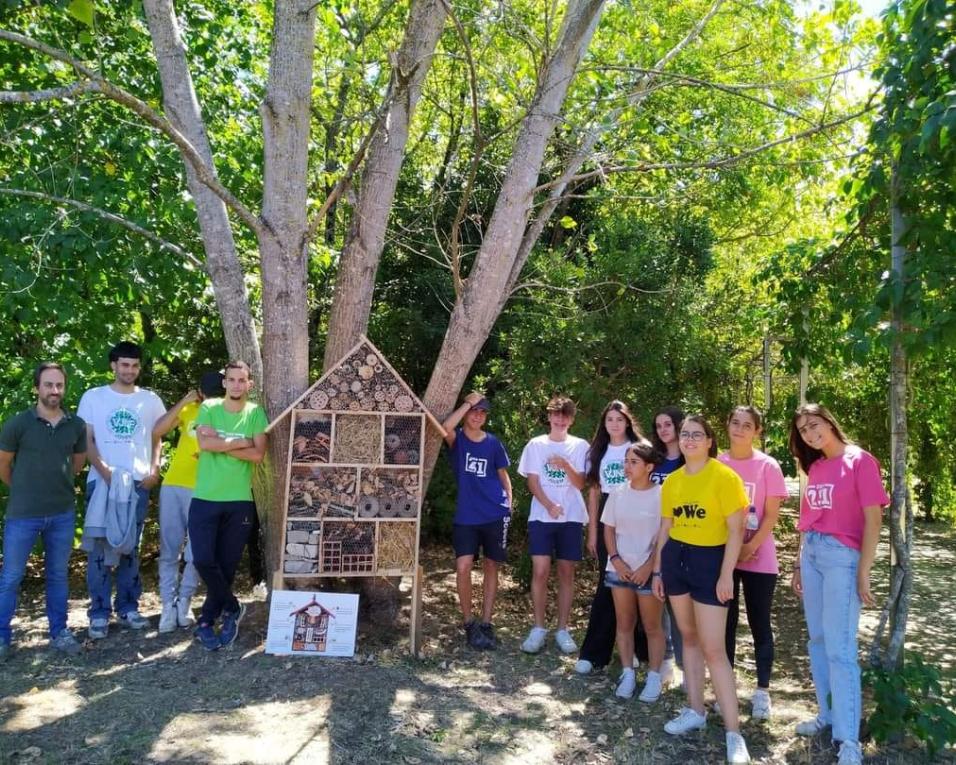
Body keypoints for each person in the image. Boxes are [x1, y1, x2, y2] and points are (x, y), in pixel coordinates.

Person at [788, 404, 888, 765]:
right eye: (803, 430)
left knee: (841, 649)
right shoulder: (814, 467)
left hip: (842, 559)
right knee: (817, 639)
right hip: (812, 553)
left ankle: (849, 741)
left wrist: (863, 571)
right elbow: (809, 517)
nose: (810, 434)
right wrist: (798, 564)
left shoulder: (860, 461)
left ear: (830, 422)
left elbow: (873, 520)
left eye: (814, 425)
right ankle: (828, 716)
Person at [652, 414, 751, 764]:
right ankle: (695, 710)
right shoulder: (673, 481)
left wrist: (726, 575)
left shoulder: (725, 477)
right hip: (676, 559)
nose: (689, 439)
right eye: (684, 435)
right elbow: (666, 526)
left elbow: (736, 532)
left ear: (710, 441)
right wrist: (658, 570)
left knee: (714, 649)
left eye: (697, 434)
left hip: (711, 562)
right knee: (688, 638)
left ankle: (733, 733)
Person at [78, 341, 166, 639]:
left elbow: (158, 437)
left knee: (131, 547)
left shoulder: (150, 400)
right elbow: (86, 439)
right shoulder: (94, 397)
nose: (129, 370)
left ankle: (128, 606)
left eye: (135, 365)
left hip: (138, 483)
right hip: (101, 482)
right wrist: (105, 473)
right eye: (124, 364)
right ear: (113, 366)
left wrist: (154, 470)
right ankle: (99, 612)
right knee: (100, 547)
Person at [0, 363, 87, 659]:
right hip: (23, 514)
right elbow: (4, 466)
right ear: (36, 388)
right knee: (11, 576)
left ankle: (59, 632)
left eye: (59, 385)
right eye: (48, 385)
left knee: (58, 575)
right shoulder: (17, 424)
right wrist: (25, 491)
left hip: (62, 513)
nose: (54, 391)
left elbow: (77, 464)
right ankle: (2, 637)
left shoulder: (75, 425)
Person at [189, 360, 267, 651]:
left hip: (239, 501)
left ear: (249, 384)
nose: (236, 385)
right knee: (203, 560)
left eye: (241, 380)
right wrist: (241, 441)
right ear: (224, 383)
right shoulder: (209, 407)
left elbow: (258, 455)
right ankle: (233, 606)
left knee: (227, 566)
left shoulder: (255, 412)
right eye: (231, 379)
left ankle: (207, 621)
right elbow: (205, 445)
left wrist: (223, 440)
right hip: (205, 497)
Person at [718, 405, 788, 719]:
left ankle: (762, 691)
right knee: (725, 624)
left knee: (760, 623)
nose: (740, 429)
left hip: (760, 556)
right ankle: (725, 687)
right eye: (736, 423)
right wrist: (733, 551)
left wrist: (750, 547)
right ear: (727, 426)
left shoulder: (768, 466)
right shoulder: (718, 463)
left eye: (748, 425)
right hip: (724, 557)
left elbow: (772, 515)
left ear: (757, 431)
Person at [574, 400, 645, 673]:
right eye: (609, 420)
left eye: (619, 419)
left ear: (627, 421)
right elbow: (593, 492)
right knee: (607, 585)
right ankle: (594, 654)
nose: (614, 424)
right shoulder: (597, 452)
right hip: (607, 515)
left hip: (636, 513)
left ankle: (638, 651)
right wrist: (592, 531)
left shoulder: (640, 448)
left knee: (638, 584)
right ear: (604, 424)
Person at [152, 371, 224, 633]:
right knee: (170, 549)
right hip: (174, 485)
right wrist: (184, 402)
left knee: (197, 552)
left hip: (206, 489)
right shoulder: (190, 409)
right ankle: (167, 606)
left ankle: (185, 602)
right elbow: (157, 431)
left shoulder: (229, 413)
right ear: (200, 393)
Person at [517, 395, 588, 654]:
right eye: (556, 414)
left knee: (567, 572)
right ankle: (538, 627)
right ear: (548, 416)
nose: (560, 419)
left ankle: (562, 629)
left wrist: (565, 464)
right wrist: (548, 505)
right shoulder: (536, 445)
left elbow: (581, 483)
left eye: (565, 415)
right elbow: (532, 481)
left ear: (571, 419)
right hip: (542, 517)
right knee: (540, 570)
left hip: (570, 518)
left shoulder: (580, 446)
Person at [442, 391, 513, 650]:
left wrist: (509, 504)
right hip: (466, 516)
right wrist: (468, 402)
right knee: (463, 567)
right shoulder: (458, 440)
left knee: (491, 566)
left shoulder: (493, 442)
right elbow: (445, 427)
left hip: (495, 513)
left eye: (483, 412)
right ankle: (469, 623)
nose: (478, 415)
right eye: (475, 410)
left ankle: (486, 623)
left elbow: (503, 476)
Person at [603, 442, 667, 702]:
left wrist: (650, 567)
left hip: (648, 572)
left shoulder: (662, 494)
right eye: (626, 461)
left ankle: (654, 676)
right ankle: (628, 672)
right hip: (619, 570)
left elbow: (666, 535)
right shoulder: (618, 492)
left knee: (652, 626)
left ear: (649, 467)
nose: (627, 467)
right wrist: (616, 560)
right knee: (624, 623)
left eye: (633, 462)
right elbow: (608, 529)